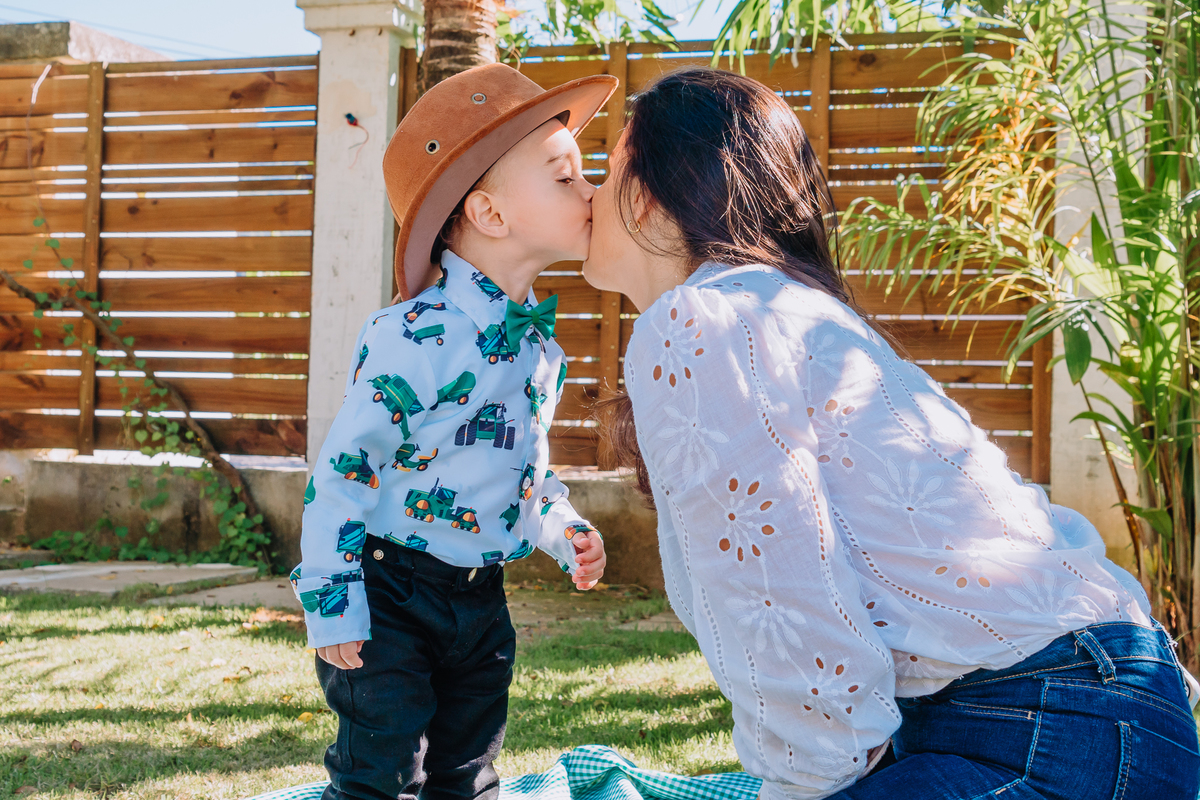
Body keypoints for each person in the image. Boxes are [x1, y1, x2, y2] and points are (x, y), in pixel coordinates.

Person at [585, 67, 1200, 800]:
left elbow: (789, 612)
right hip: (1096, 703)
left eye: (607, 167)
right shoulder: (774, 310)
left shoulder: (701, 321)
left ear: (653, 194)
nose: (589, 196)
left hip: (1053, 722)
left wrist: (805, 785)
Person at [291, 64, 614, 800]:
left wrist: (564, 530)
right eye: (565, 178)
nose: (591, 191)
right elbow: (343, 471)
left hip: (481, 601)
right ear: (492, 215)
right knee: (381, 775)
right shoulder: (417, 336)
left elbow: (520, 474)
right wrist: (332, 598)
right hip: (390, 591)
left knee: (468, 774)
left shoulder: (537, 348)